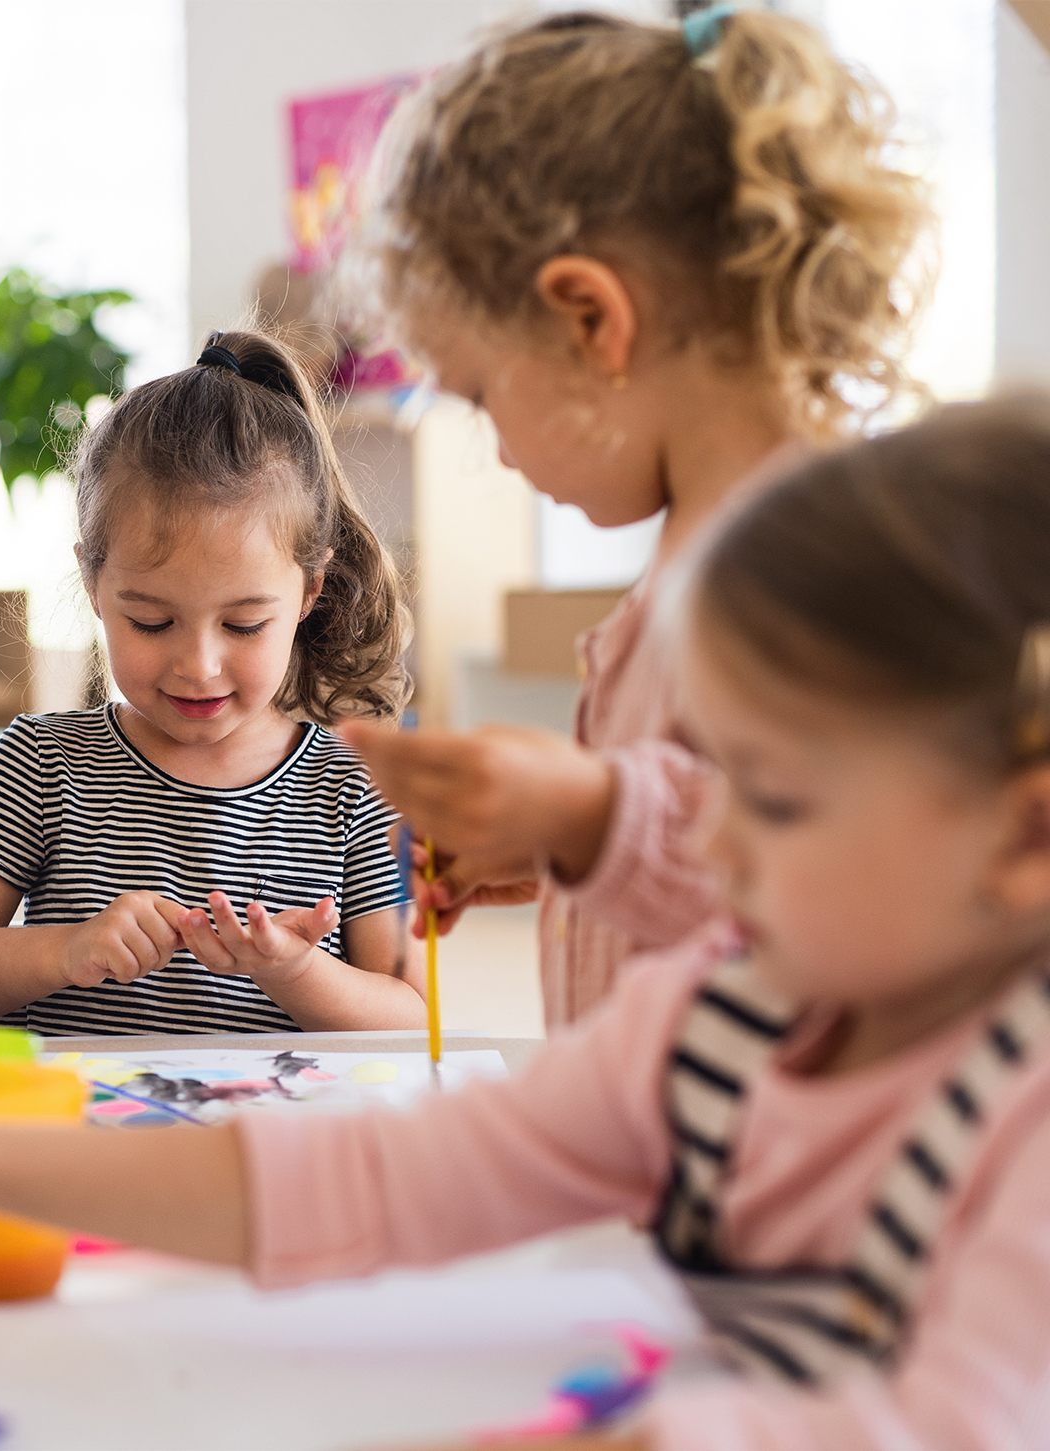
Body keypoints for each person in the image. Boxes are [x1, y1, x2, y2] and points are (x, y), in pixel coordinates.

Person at [0, 398, 1050, 1448]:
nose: (702, 844)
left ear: (1025, 835)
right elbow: (384, 1177)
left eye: (766, 799)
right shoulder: (709, 1019)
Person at [336, 7, 931, 1025]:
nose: (496, 449)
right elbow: (713, 835)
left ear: (589, 320)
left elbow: (873, 886)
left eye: (479, 395)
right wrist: (570, 854)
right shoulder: (694, 557)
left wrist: (595, 813)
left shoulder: (826, 565)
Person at [0, 329, 424, 1034]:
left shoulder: (358, 788)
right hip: (72, 1139)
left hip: (265, 1141)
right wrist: (66, 949)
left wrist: (294, 971)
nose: (199, 666)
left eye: (243, 626)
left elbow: (411, 1017)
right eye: (151, 622)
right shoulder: (42, 763)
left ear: (308, 593)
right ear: (93, 582)